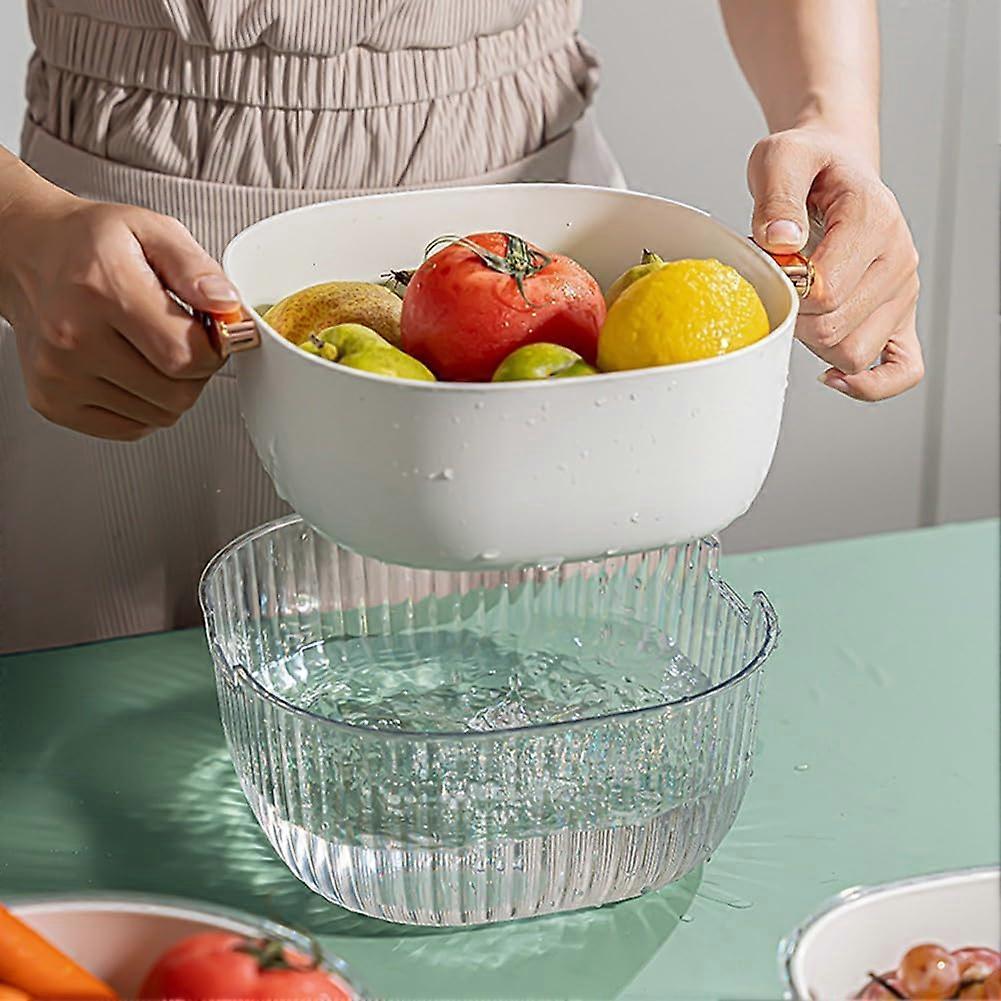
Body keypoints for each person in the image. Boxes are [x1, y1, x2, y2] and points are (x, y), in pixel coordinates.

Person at [0, 0, 923, 654]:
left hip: (553, 257)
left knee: (578, 753)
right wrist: (18, 234)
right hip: (141, 266)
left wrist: (831, 125)